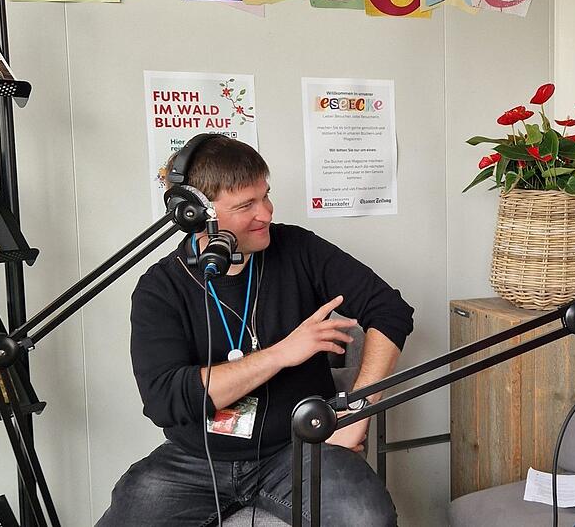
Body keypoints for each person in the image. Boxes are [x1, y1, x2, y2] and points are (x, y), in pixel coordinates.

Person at [98, 136, 414, 526]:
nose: (266, 212)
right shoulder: (160, 288)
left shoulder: (298, 249)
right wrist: (282, 353)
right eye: (245, 205)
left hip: (299, 449)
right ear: (195, 215)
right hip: (195, 461)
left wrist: (356, 411)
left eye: (265, 195)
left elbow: (390, 310)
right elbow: (165, 399)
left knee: (368, 520)